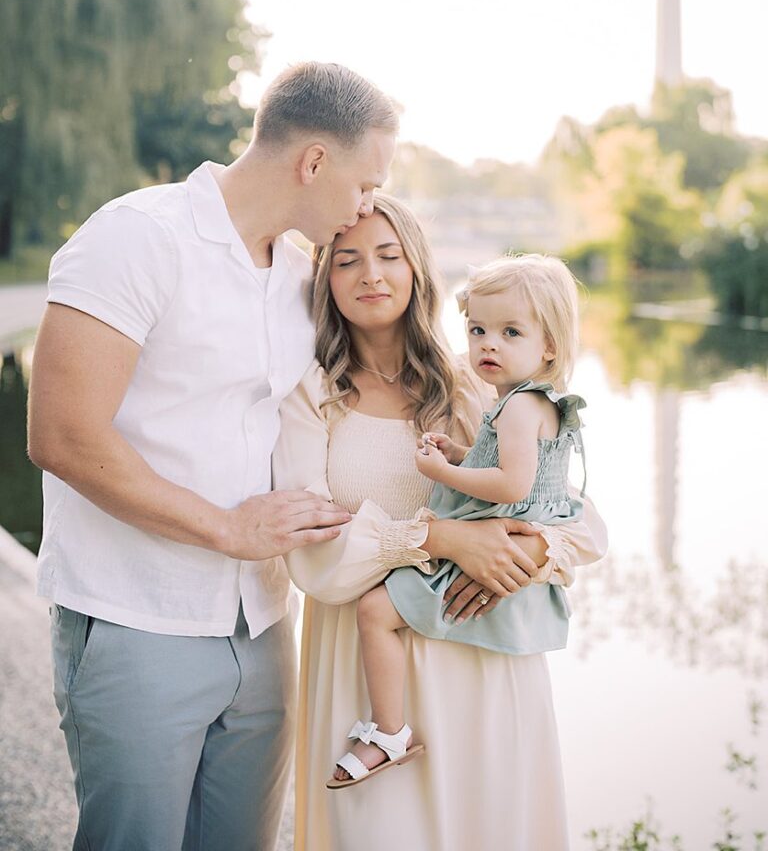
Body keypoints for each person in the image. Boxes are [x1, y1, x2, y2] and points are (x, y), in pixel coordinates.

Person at [27, 62, 398, 851]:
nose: (368, 205)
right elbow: (61, 435)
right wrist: (227, 529)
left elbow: (384, 382)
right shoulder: (137, 237)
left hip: (262, 625)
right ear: (314, 163)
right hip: (136, 618)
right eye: (367, 183)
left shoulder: (303, 274)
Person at [272, 195, 608, 851]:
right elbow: (311, 553)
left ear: (418, 268)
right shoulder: (311, 394)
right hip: (364, 671)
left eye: (389, 255)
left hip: (480, 659)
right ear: (325, 279)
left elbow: (585, 526)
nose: (371, 274)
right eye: (347, 261)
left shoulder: (477, 387)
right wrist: (444, 537)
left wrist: (518, 556)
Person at [331, 254, 587, 788]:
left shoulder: (516, 406)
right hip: (497, 539)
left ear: (549, 346)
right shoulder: (530, 403)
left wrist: (442, 468)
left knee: (375, 611)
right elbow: (509, 467)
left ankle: (388, 730)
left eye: (510, 332)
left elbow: (512, 486)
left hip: (495, 543)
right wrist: (464, 452)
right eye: (478, 330)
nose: (488, 344)